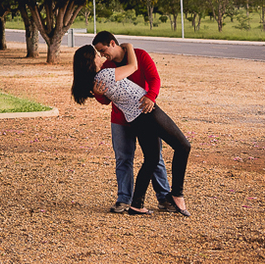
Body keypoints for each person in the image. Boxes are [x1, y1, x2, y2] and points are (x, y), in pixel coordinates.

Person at [72, 43, 192, 217]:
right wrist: (129, 47)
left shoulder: (95, 81)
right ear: (90, 60)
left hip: (135, 118)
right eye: (97, 55)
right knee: (183, 146)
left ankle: (136, 205)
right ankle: (177, 194)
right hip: (146, 112)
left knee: (151, 159)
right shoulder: (105, 74)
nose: (100, 57)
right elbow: (133, 67)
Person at [91, 31, 174, 214]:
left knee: (155, 157)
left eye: (104, 50)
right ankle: (124, 199)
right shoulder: (108, 67)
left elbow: (154, 79)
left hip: (145, 115)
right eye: (100, 53)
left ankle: (164, 198)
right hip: (120, 120)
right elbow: (106, 100)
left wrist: (151, 97)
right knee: (123, 159)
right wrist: (98, 95)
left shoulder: (140, 55)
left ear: (112, 43)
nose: (103, 56)